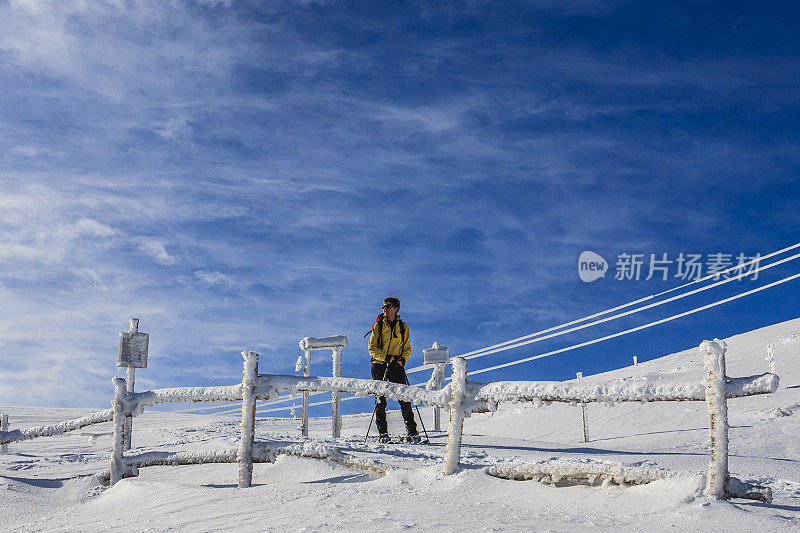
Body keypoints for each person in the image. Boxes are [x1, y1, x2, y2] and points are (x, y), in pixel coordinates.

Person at [367, 297, 419, 443]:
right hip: (379, 364)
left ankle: (412, 431)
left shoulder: (403, 326)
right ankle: (383, 433)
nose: (385, 309)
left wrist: (403, 359)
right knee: (380, 400)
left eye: (388, 306)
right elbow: (372, 348)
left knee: (404, 397)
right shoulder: (378, 326)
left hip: (396, 364)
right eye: (383, 306)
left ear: (396, 308)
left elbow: (407, 347)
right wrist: (385, 357)